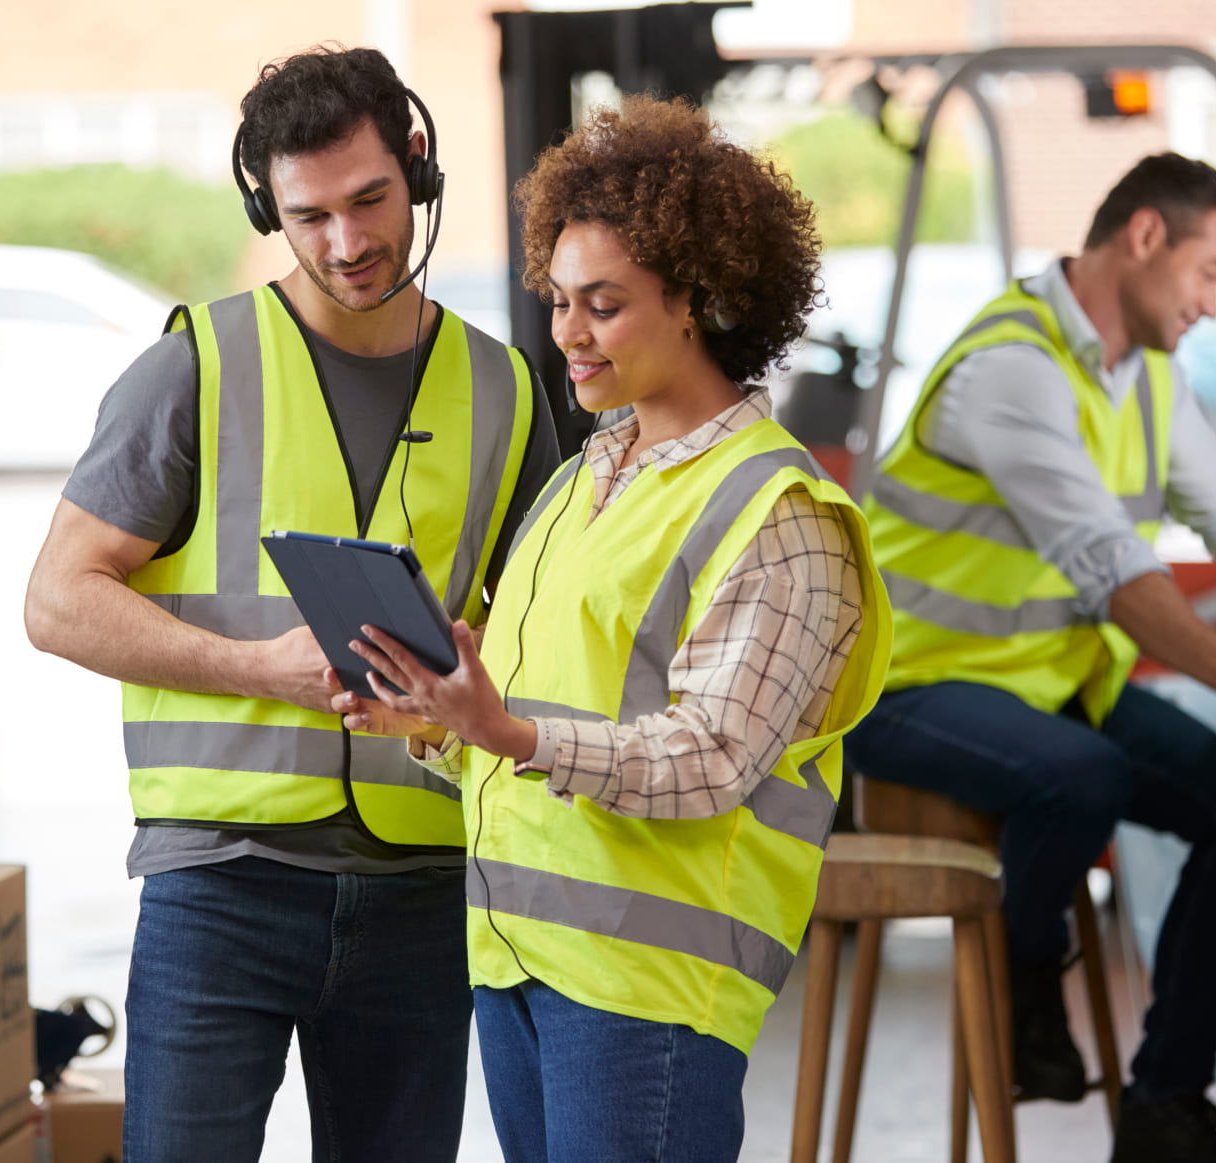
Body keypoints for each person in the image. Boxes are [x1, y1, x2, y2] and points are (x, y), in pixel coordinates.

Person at [23, 45, 560, 1163]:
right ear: (267, 202)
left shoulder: (507, 387)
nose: (348, 243)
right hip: (222, 879)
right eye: (309, 216)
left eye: (369, 202)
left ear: (417, 167)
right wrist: (258, 665)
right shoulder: (196, 367)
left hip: (421, 881)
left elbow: (544, 626)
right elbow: (58, 600)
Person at [331, 95, 893, 1163]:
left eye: (604, 305)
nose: (568, 336)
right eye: (559, 300)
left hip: (649, 988)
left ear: (697, 302)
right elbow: (534, 717)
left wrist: (506, 733)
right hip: (515, 955)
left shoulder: (777, 516)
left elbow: (711, 756)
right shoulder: (585, 478)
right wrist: (436, 715)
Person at [844, 153, 1216, 1163]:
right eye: (1210, 270)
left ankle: (1163, 1104)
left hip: (1045, 686)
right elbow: (1113, 569)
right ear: (1145, 237)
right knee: (1082, 773)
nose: (1214, 303)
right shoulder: (1012, 367)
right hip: (906, 686)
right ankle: (1027, 984)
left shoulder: (1144, 378)